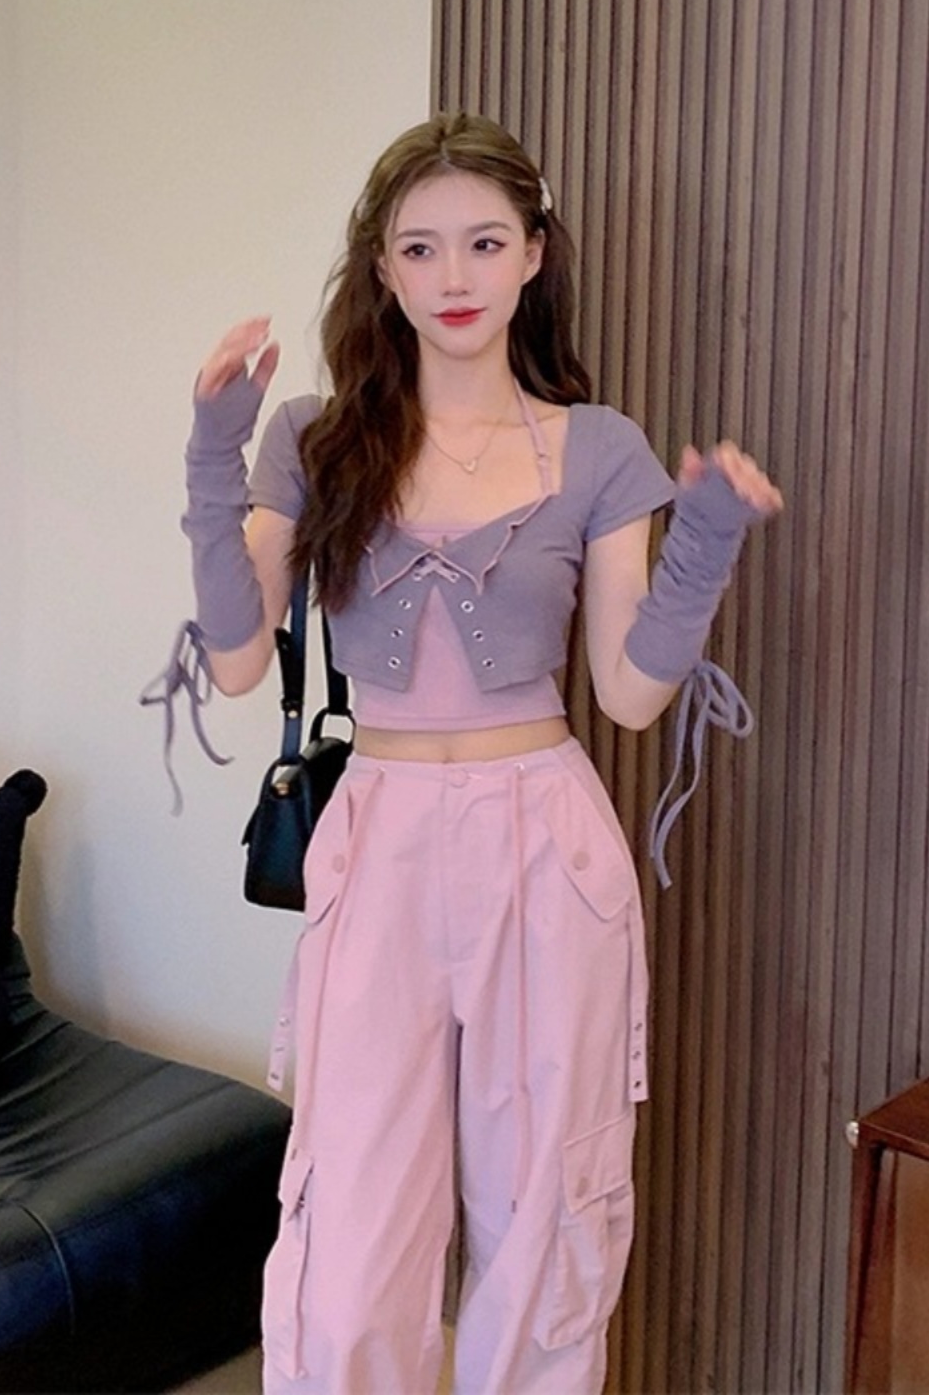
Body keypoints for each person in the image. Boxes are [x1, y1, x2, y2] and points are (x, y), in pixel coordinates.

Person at [168, 113, 781, 1394]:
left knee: (547, 1211)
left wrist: (706, 541)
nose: (455, 276)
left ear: (533, 255)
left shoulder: (597, 445)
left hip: (544, 843)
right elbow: (233, 660)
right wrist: (213, 454)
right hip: (379, 837)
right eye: (422, 247)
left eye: (486, 243)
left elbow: (627, 695)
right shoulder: (315, 438)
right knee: (352, 1235)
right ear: (382, 269)